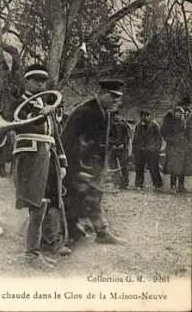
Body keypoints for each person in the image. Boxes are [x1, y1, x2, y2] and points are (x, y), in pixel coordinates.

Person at [6, 64, 69, 269]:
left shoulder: (46, 105)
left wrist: (61, 160)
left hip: (47, 155)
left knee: (50, 200)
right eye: (36, 80)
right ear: (27, 81)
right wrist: (43, 113)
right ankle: (31, 253)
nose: (41, 84)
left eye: (43, 81)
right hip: (31, 156)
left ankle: (45, 246)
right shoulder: (20, 104)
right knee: (36, 203)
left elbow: (54, 135)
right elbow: (21, 124)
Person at [61, 79, 127, 246]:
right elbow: (70, 142)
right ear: (102, 94)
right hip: (77, 165)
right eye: (112, 96)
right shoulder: (86, 111)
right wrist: (78, 169)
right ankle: (69, 236)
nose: (116, 101)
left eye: (118, 98)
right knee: (76, 198)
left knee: (94, 197)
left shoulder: (103, 111)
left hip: (93, 165)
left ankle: (100, 232)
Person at [160, 96, 191, 193]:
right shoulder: (169, 119)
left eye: (182, 113)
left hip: (182, 147)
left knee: (182, 167)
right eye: (179, 113)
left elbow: (187, 132)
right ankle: (173, 186)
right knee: (173, 167)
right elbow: (163, 132)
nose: (181, 114)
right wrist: (171, 139)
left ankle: (181, 187)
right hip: (173, 147)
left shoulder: (185, 119)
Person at [132, 109, 163, 191]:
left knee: (154, 168)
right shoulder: (138, 126)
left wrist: (156, 149)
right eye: (143, 116)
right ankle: (138, 184)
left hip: (151, 151)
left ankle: (157, 185)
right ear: (141, 117)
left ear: (149, 116)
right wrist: (135, 150)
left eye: (147, 116)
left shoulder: (154, 126)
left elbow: (159, 139)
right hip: (141, 150)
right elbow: (135, 139)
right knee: (139, 167)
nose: (145, 117)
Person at [109, 110, 132, 189]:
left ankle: (125, 184)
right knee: (113, 166)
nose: (116, 117)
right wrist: (112, 144)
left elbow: (126, 136)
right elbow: (107, 137)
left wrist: (123, 144)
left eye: (117, 115)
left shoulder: (123, 125)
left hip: (122, 148)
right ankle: (116, 182)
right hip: (113, 148)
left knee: (124, 165)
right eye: (114, 115)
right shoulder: (109, 126)